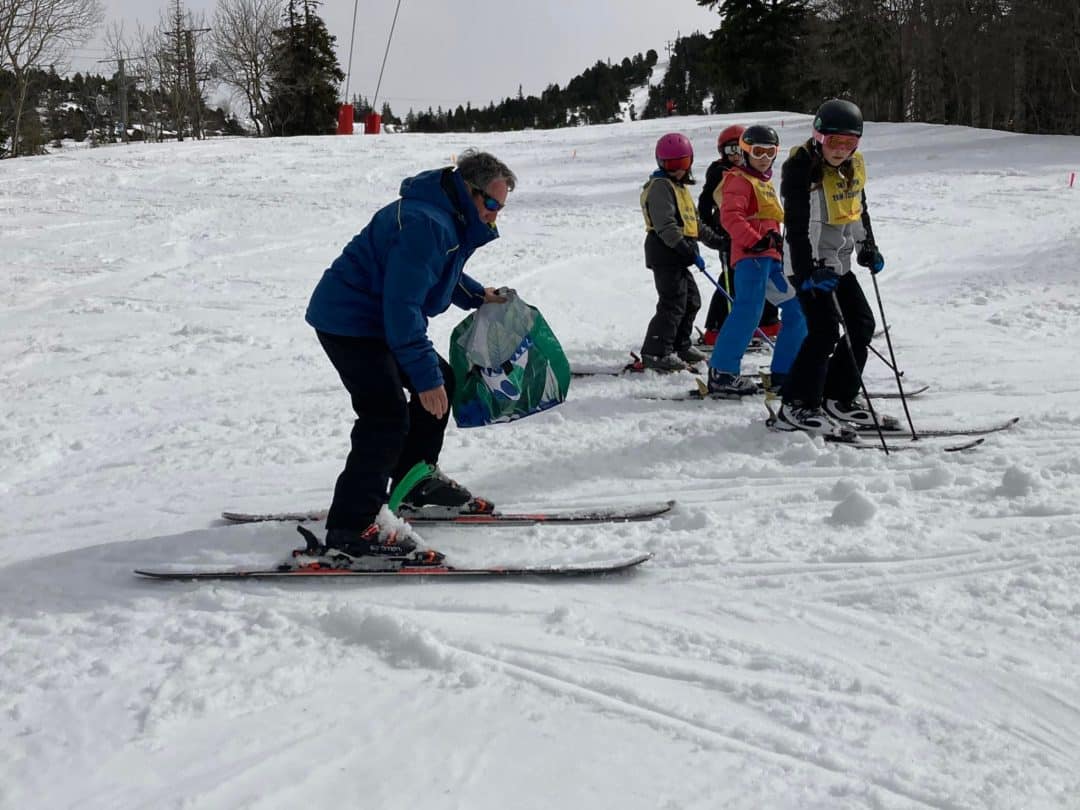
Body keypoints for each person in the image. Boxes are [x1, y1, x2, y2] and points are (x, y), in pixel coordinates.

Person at [304, 149, 516, 564]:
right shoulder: (427, 223)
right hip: (349, 322)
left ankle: (412, 480)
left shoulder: (444, 214)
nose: (495, 214)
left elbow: (437, 270)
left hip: (374, 319)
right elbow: (401, 307)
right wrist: (423, 379)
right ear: (469, 191)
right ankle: (352, 526)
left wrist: (476, 294)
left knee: (441, 378)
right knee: (385, 416)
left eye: (501, 207)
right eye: (491, 204)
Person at [777, 99, 888, 435]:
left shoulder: (852, 167)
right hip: (806, 265)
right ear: (818, 137)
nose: (840, 151)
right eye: (833, 143)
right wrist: (808, 272)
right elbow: (797, 227)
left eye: (849, 144)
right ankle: (796, 404)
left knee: (862, 324)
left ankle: (837, 397)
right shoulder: (801, 170)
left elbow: (857, 209)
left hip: (837, 263)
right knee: (823, 331)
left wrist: (868, 245)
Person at [706, 125, 807, 397]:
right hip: (751, 258)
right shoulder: (739, 179)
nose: (764, 157)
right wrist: (755, 240)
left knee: (798, 308)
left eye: (770, 151)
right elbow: (730, 217)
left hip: (771, 259)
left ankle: (784, 372)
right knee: (748, 311)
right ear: (746, 151)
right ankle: (723, 373)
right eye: (757, 151)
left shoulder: (763, 181)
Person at [640, 132, 725, 372]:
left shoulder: (680, 188)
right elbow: (665, 225)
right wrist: (684, 248)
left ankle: (680, 344)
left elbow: (695, 225)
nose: (677, 170)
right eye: (671, 165)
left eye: (683, 164)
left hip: (679, 254)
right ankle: (656, 352)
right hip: (664, 251)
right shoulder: (660, 187)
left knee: (691, 301)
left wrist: (719, 242)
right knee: (673, 302)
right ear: (660, 163)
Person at [696, 124, 780, 346]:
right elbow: (705, 204)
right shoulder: (719, 171)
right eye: (729, 150)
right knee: (731, 281)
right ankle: (716, 327)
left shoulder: (754, 173)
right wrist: (710, 233)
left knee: (761, 283)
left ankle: (767, 322)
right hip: (729, 235)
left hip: (753, 236)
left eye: (737, 149)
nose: (734, 156)